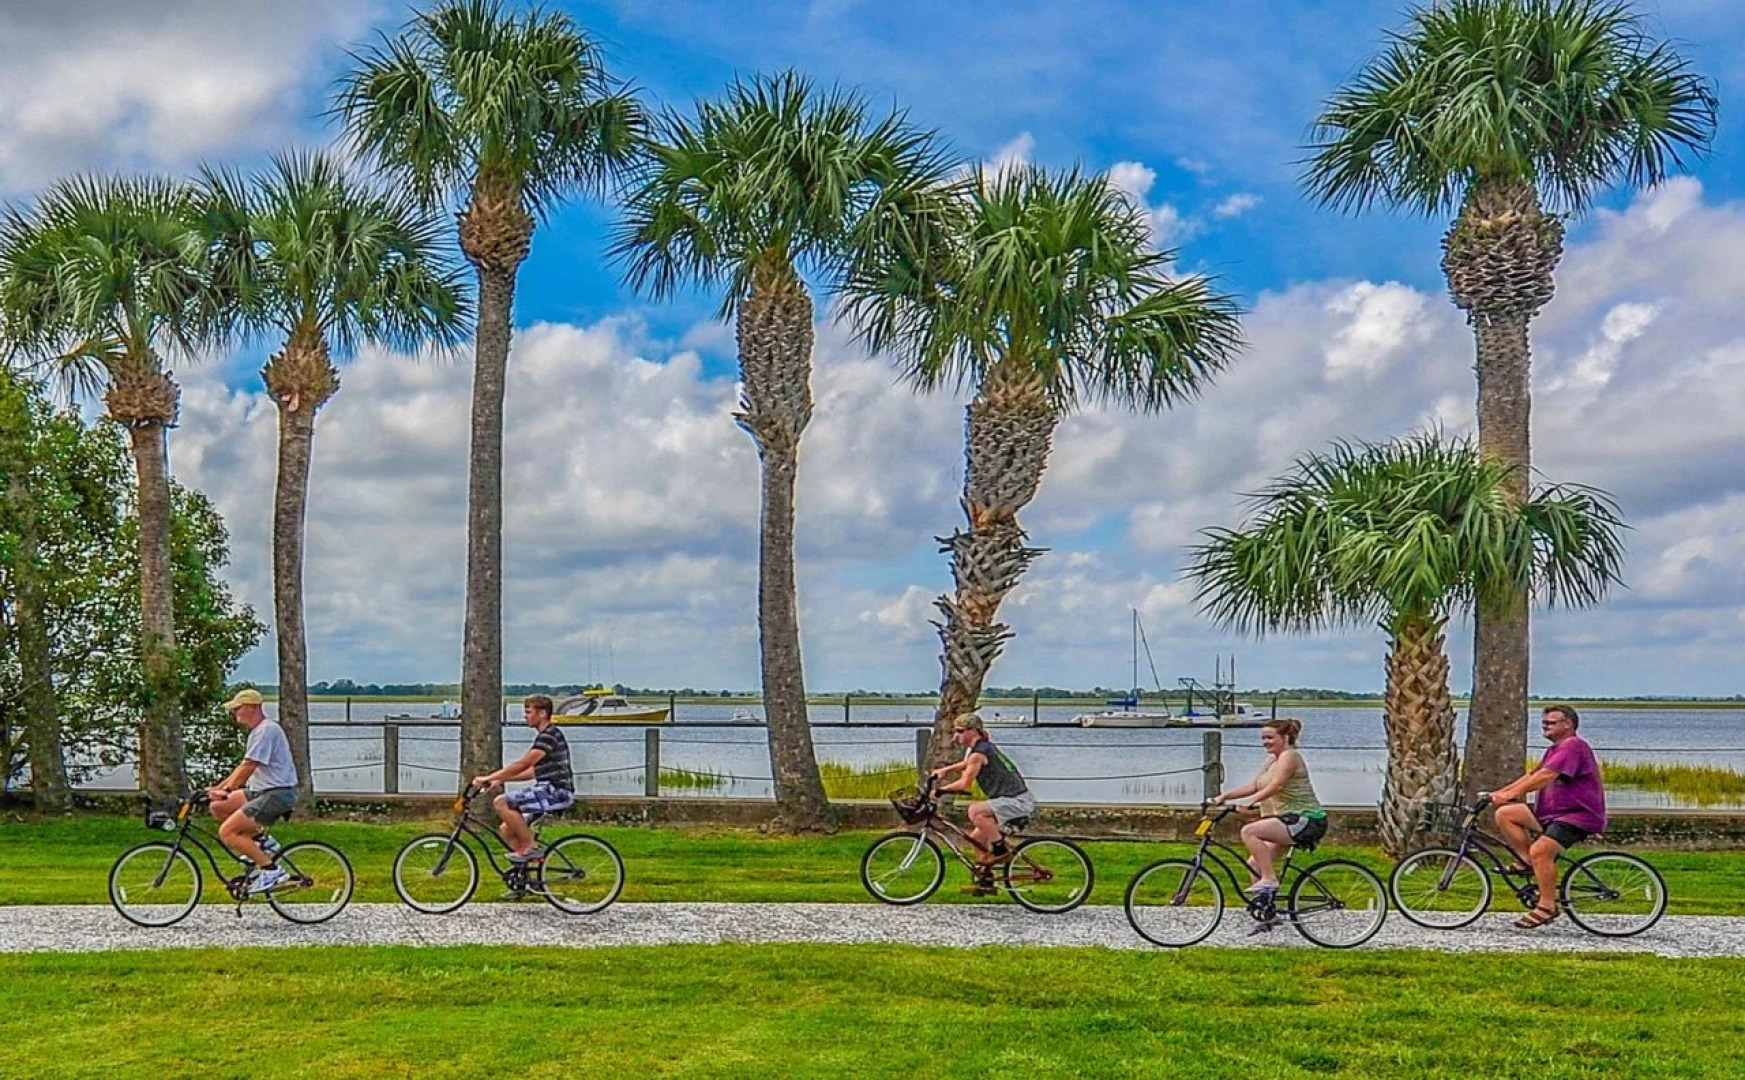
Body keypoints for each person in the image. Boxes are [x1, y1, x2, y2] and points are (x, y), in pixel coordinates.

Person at [1487, 704, 1606, 930]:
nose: (1545, 725)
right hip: (1552, 814)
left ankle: (1547, 905)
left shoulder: (1573, 746)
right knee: (1506, 814)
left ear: (1568, 724)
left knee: (1541, 851)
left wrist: (1512, 794)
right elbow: (1532, 775)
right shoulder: (1556, 749)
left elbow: (1547, 776)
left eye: (1551, 722)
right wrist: (1501, 793)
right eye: (1544, 722)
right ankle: (1526, 861)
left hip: (1576, 816)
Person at [1212, 717, 1326, 897]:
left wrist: (1251, 801)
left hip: (1306, 819)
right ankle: (1267, 914)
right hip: (1285, 820)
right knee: (1254, 864)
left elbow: (1277, 785)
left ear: (1286, 738)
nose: (1265, 742)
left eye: (1270, 738)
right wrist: (1225, 796)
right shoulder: (1272, 760)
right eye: (1263, 738)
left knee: (1249, 831)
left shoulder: (1290, 756)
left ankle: (1270, 878)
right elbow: (1254, 786)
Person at [205, 688, 299, 894]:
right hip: (260, 791)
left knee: (227, 832)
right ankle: (260, 842)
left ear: (252, 707)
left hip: (277, 794)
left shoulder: (267, 730)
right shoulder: (258, 731)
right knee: (219, 806)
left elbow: (249, 766)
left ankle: (271, 870)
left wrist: (228, 788)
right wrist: (219, 789)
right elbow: (243, 766)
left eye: (238, 708)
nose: (235, 712)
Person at [931, 713, 1035, 894]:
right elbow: (968, 763)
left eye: (960, 732)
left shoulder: (979, 752)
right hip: (1011, 800)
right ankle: (986, 881)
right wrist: (946, 769)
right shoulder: (981, 749)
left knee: (976, 811)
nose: (956, 736)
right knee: (976, 839)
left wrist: (940, 791)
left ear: (973, 732)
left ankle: (1000, 849)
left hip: (1016, 802)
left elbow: (965, 784)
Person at [470, 695, 575, 862]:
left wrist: (488, 777)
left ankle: (530, 847)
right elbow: (533, 771)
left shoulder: (548, 736)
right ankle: (527, 876)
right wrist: (499, 780)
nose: (525, 716)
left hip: (556, 791)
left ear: (542, 714)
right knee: (506, 829)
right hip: (547, 788)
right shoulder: (547, 735)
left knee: (501, 802)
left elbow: (523, 764)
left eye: (528, 712)